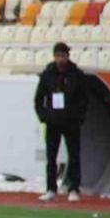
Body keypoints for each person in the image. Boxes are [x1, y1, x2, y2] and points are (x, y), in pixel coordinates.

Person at [33, 42, 87, 202]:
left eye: (63, 55)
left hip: (71, 122)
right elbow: (38, 99)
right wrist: (44, 116)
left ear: (68, 56)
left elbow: (84, 99)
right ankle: (51, 189)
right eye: (58, 56)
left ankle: (74, 188)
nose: (60, 59)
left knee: (74, 156)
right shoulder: (48, 74)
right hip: (52, 122)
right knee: (51, 157)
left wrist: (78, 118)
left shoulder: (76, 74)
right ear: (54, 56)